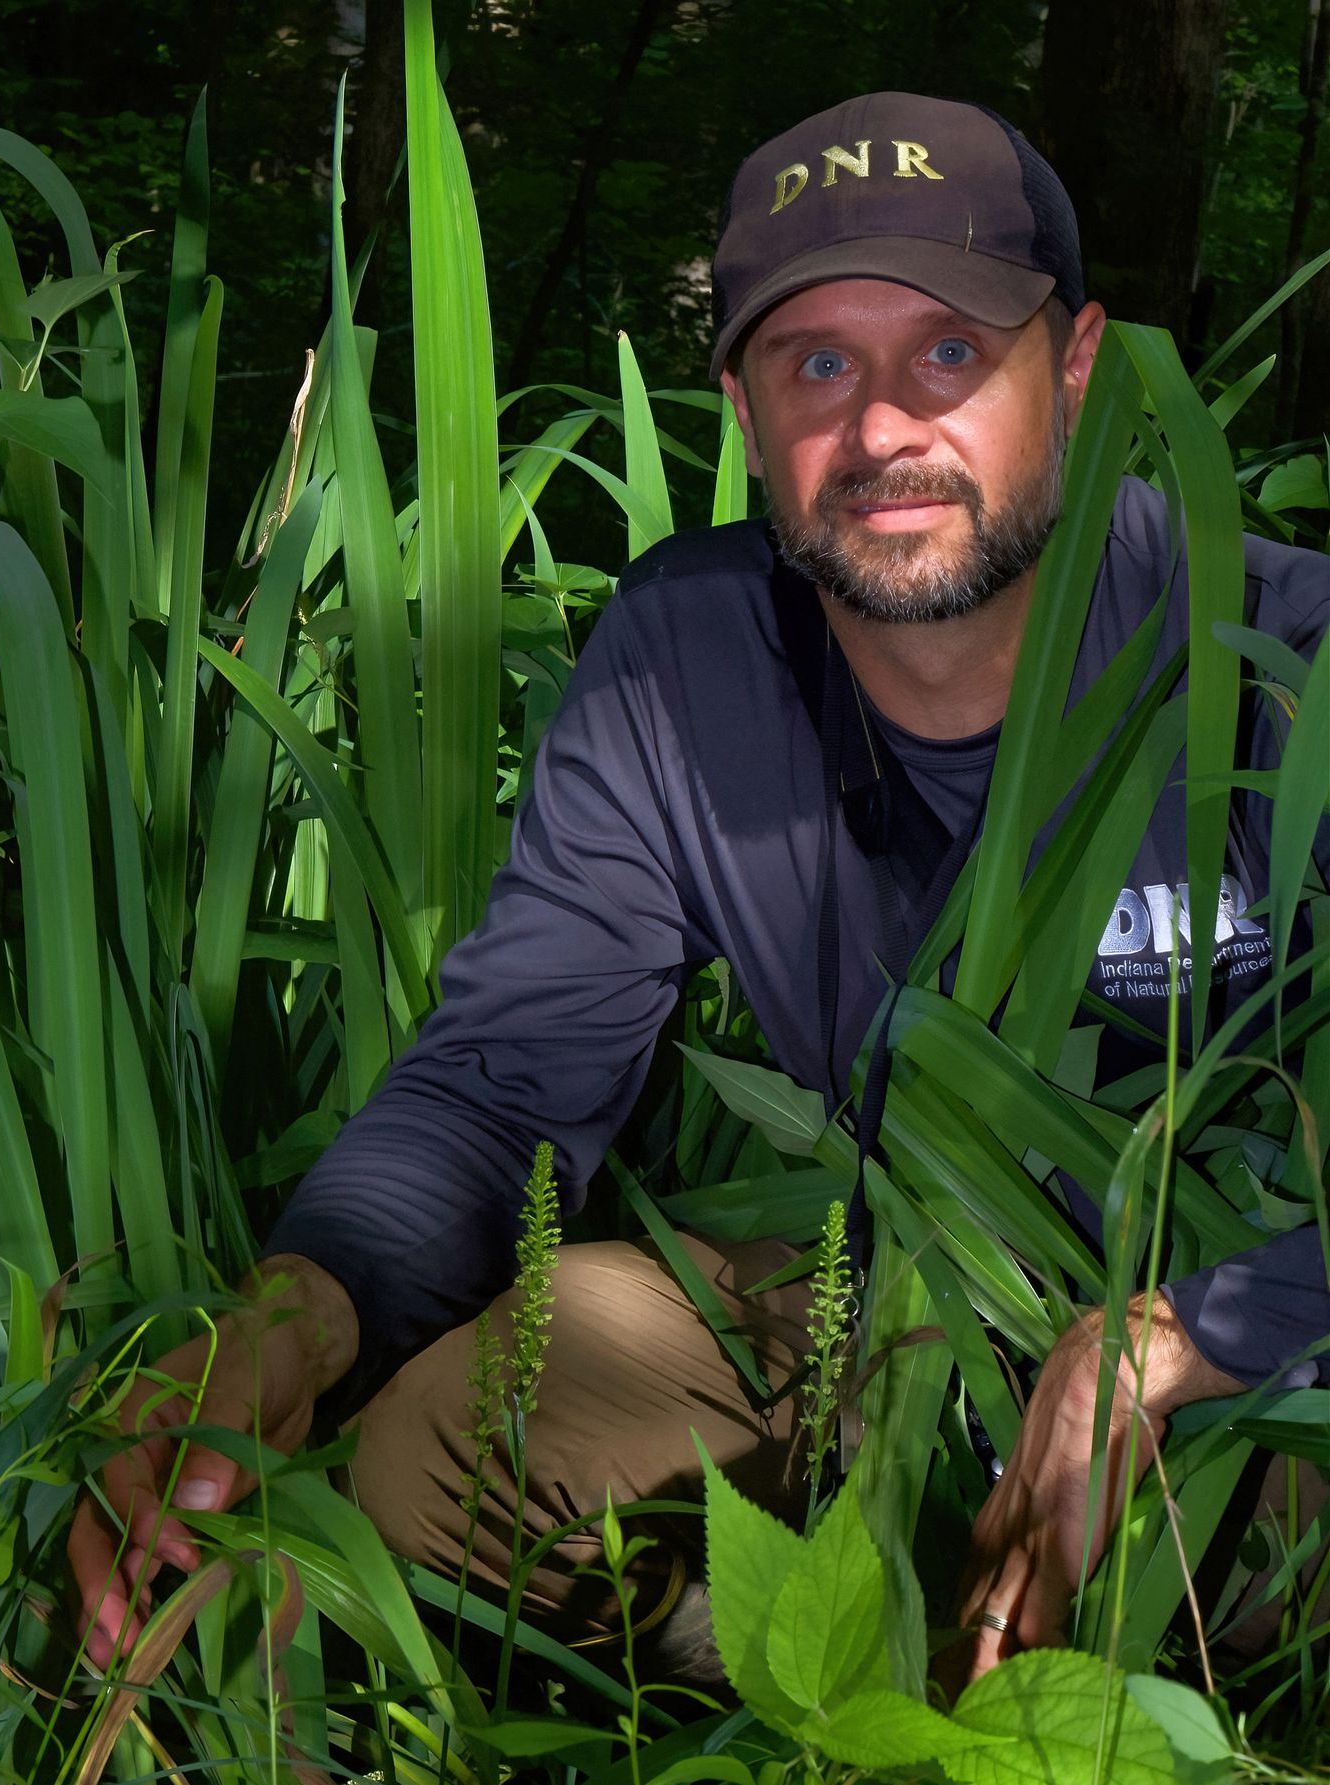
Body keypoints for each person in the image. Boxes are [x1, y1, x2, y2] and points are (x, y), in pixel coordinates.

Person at [69, 91, 1330, 1685]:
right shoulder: (690, 661)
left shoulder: (1284, 657)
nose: (880, 431)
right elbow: (504, 1078)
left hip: (1260, 1357)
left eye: (947, 352)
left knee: (1259, 1519)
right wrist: (300, 1312)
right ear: (742, 409)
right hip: (906, 1315)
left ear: (1070, 369)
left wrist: (1183, 1338)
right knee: (449, 1440)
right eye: (815, 364)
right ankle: (868, 1700)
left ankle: (1144, 1693)